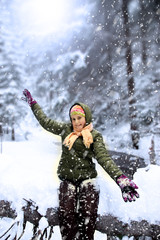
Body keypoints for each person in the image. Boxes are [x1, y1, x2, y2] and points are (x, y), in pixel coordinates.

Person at [22, 89, 139, 240]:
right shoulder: (65, 130)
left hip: (87, 178)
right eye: (74, 118)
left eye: (79, 118)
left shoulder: (94, 136)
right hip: (67, 178)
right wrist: (33, 105)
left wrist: (120, 178)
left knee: (88, 211)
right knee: (66, 211)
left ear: (87, 118)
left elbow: (104, 158)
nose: (76, 122)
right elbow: (45, 122)